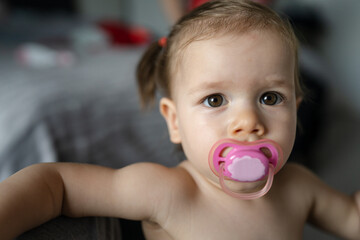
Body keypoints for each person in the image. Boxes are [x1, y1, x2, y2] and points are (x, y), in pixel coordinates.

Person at [0, 1, 359, 239]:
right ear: (174, 121)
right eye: (215, 99)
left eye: (270, 98)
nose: (248, 121)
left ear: (296, 110)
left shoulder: (300, 188)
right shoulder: (168, 192)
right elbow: (56, 184)